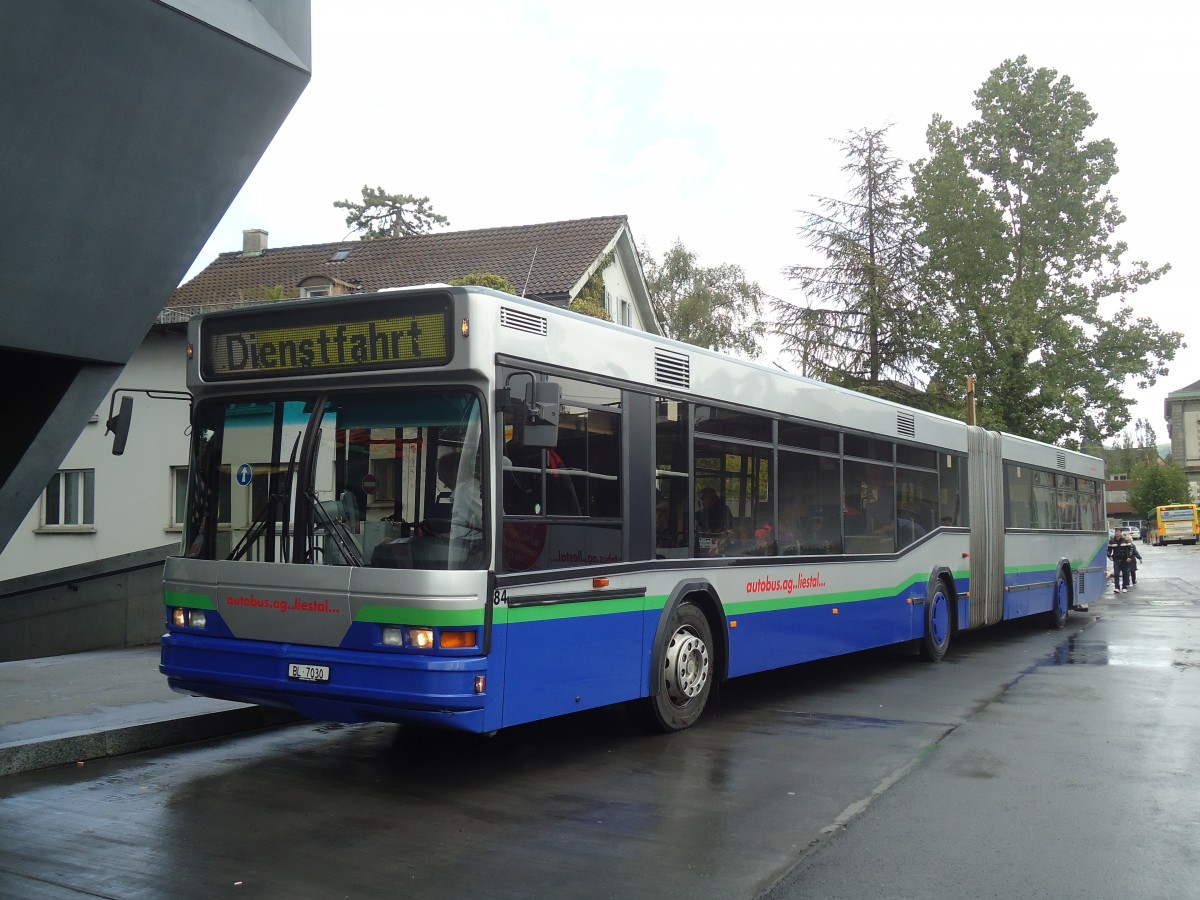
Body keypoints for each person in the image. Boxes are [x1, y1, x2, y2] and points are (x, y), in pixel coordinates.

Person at [695, 487, 733, 555]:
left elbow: (730, 529)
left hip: (724, 547)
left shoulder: (724, 510)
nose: (701, 501)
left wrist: (720, 543)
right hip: (704, 548)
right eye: (700, 499)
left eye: (704, 498)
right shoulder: (698, 515)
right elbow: (700, 534)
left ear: (713, 499)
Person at [1107, 526, 1135, 593]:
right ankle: (1117, 587)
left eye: (1118, 532)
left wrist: (1129, 557)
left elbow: (1130, 549)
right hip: (1116, 559)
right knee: (1116, 573)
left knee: (1125, 573)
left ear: (1121, 533)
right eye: (1116, 532)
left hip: (1125, 559)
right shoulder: (1112, 541)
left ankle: (1124, 587)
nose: (1117, 533)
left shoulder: (1125, 540)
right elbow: (1109, 549)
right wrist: (1109, 556)